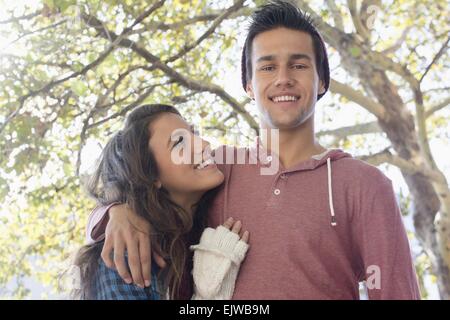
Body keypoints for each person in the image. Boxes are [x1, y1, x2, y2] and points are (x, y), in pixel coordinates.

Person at [86, 1, 420, 299]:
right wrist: (117, 212)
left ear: (322, 82)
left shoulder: (366, 186)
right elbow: (141, 185)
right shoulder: (215, 170)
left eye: (299, 65)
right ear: (249, 85)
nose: (283, 78)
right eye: (268, 67)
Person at [74, 104, 249, 299]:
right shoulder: (127, 251)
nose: (204, 144)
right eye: (179, 144)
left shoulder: (197, 225)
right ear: (151, 175)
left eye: (194, 134)